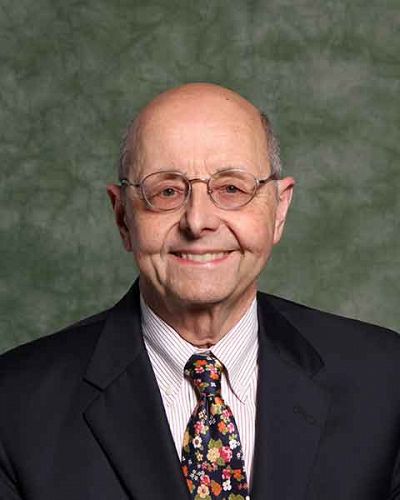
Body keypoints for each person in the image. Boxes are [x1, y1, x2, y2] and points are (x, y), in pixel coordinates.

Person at [0, 83, 399, 500]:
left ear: (279, 210)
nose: (198, 221)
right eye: (167, 191)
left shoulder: (386, 381)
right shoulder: (14, 406)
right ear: (122, 218)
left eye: (231, 188)